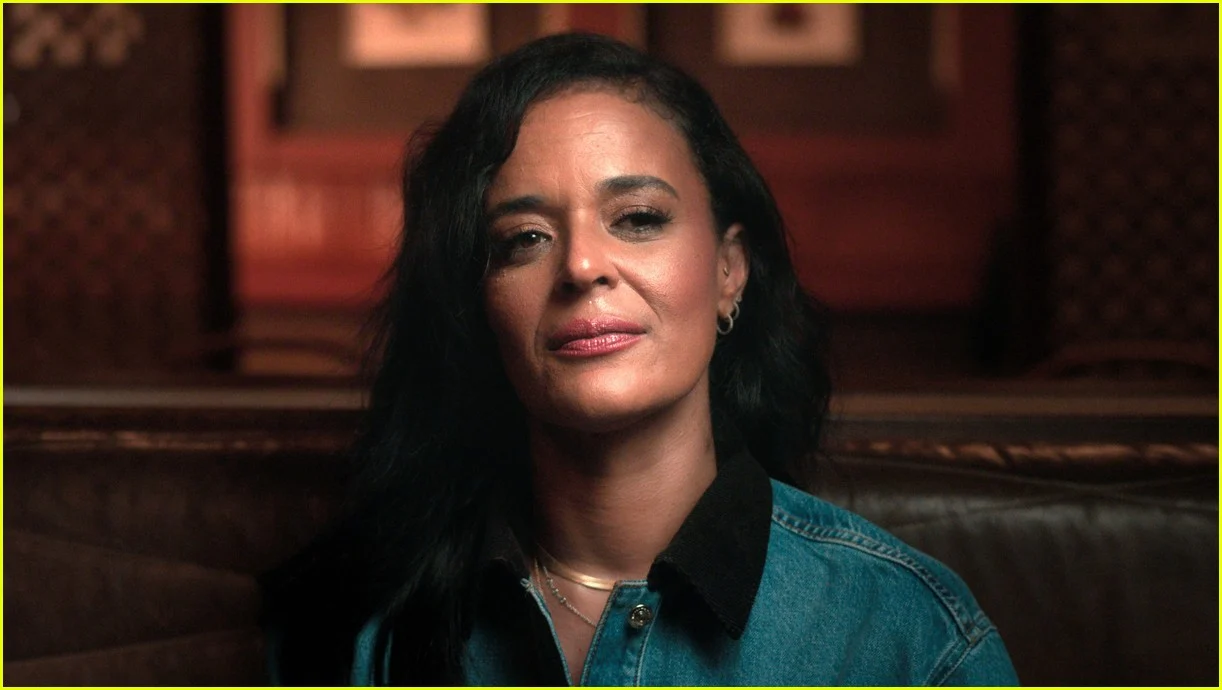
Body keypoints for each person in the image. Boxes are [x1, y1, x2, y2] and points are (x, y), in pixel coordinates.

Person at [263, 32, 1019, 686]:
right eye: (525, 238)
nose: (581, 265)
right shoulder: (368, 634)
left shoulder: (906, 638)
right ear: (477, 304)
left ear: (728, 271)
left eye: (638, 218)